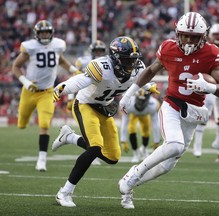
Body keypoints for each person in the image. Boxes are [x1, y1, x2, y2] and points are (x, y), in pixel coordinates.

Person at [118, 12, 219, 209]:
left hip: (193, 111)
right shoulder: (169, 48)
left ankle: (129, 185)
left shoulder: (211, 53)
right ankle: (133, 174)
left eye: (193, 36)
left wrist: (209, 87)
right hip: (171, 105)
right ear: (178, 33)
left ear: (202, 37)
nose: (188, 40)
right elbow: (151, 71)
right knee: (175, 145)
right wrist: (128, 94)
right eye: (184, 35)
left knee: (167, 166)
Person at [51, 36, 159, 207]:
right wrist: (63, 87)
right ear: (116, 59)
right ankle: (64, 193)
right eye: (127, 60)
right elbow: (81, 80)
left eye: (133, 60)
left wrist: (148, 86)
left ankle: (70, 138)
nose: (132, 65)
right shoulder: (101, 66)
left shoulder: (137, 68)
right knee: (94, 147)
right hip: (85, 104)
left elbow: (139, 80)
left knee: (112, 157)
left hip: (105, 108)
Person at [11, 20, 80, 172]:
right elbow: (15, 66)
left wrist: (72, 68)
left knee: (44, 125)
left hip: (48, 92)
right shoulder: (30, 47)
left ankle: (41, 160)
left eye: (46, 32)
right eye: (41, 33)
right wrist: (25, 81)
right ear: (36, 34)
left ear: (51, 33)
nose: (44, 35)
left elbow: (60, 59)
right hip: (29, 91)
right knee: (21, 124)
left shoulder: (57, 45)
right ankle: (24, 122)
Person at [193, 23, 219, 159]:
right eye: (216, 35)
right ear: (210, 36)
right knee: (205, 112)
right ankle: (197, 144)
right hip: (208, 82)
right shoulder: (207, 47)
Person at [120, 88, 161, 163]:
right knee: (131, 129)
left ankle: (144, 149)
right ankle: (135, 153)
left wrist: (156, 141)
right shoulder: (129, 104)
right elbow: (124, 122)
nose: (141, 102)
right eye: (139, 99)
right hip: (133, 114)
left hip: (144, 115)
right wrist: (123, 140)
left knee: (146, 131)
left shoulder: (153, 105)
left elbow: (155, 124)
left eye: (143, 100)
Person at [66, 40, 107, 111]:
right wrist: (70, 97)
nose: (98, 53)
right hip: (85, 90)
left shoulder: (108, 62)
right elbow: (74, 78)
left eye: (100, 51)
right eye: (96, 51)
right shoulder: (84, 61)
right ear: (92, 51)